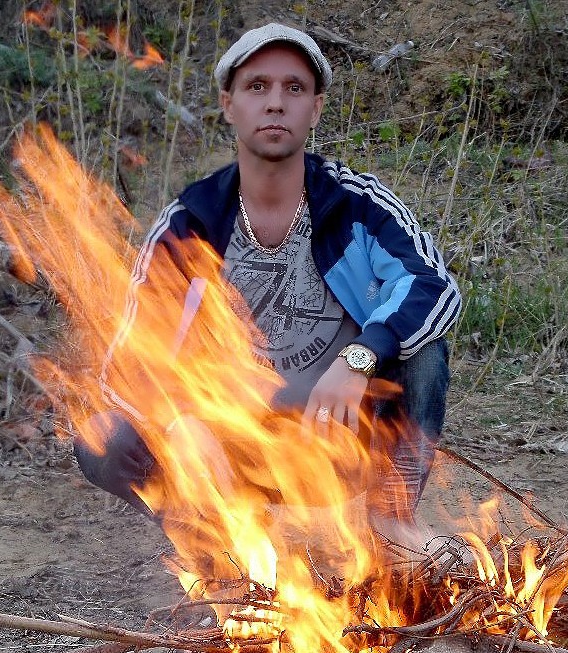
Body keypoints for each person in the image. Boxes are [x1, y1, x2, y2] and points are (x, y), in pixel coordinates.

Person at [74, 23, 461, 550]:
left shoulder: (356, 205)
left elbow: (433, 287)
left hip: (337, 439)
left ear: (315, 108)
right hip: (227, 450)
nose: (275, 103)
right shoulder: (190, 223)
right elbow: (127, 361)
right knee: (103, 439)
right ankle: (218, 537)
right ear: (228, 104)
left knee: (423, 349)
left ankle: (393, 522)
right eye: (257, 86)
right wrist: (176, 421)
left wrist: (360, 357)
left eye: (293, 88)